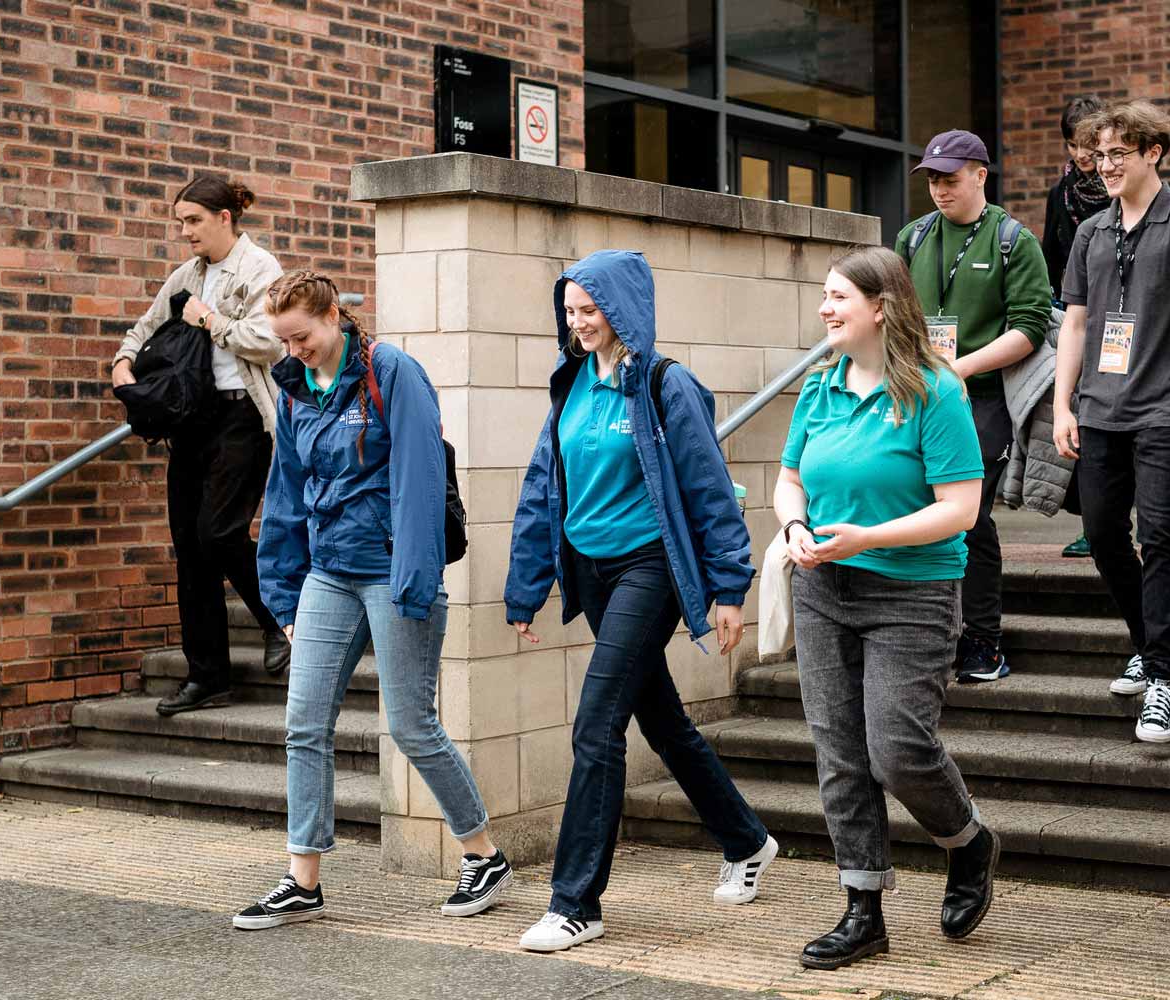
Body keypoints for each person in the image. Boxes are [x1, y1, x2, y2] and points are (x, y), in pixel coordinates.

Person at [504, 249, 777, 954]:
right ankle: (747, 839)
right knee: (661, 719)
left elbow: (709, 487)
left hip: (650, 568)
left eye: (590, 309)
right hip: (592, 572)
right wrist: (526, 585)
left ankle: (575, 903)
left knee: (596, 725)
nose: (578, 322)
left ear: (622, 308)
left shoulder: (664, 383)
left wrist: (728, 587)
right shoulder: (570, 383)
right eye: (570, 311)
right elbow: (543, 486)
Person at [238, 270, 509, 929]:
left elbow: (421, 478)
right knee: (304, 723)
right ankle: (303, 880)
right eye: (283, 342)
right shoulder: (296, 389)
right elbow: (285, 492)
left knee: (411, 725)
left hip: (393, 572)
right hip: (329, 574)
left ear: (334, 315)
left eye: (301, 337)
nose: (294, 351)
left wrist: (416, 580)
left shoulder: (392, 373)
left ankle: (483, 855)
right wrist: (283, 596)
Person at [775, 244, 997, 971]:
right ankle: (862, 910)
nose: (824, 308)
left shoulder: (936, 390)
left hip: (912, 593)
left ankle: (968, 843)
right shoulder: (820, 388)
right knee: (839, 753)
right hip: (823, 588)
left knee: (897, 750)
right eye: (825, 296)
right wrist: (795, 525)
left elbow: (960, 510)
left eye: (838, 296)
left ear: (881, 306)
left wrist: (869, 537)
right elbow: (789, 479)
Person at [1052, 100, 1170, 744]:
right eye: (1099, 156)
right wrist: (1062, 405)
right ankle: (1147, 646)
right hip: (1099, 410)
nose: (1105, 166)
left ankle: (1164, 681)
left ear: (1154, 153)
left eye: (1118, 153)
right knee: (1101, 534)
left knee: (1160, 536)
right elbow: (1075, 324)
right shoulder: (1092, 232)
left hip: (1165, 411)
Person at [111, 176, 291, 717]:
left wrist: (210, 319)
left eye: (193, 220)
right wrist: (122, 363)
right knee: (190, 545)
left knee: (220, 531)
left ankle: (281, 619)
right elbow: (144, 328)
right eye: (181, 222)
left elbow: (270, 341)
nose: (185, 231)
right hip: (192, 420)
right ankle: (207, 676)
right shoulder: (186, 276)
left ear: (224, 218)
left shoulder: (259, 269)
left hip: (243, 416)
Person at [896, 130, 1053, 684]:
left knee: (969, 515)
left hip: (982, 397)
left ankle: (983, 639)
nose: (940, 190)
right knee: (915, 506)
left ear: (981, 175)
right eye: (933, 181)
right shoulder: (912, 238)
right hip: (918, 393)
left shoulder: (1013, 241)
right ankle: (925, 630)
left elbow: (1030, 328)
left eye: (951, 179)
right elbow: (891, 315)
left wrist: (959, 369)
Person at [1042, 95, 1111, 560]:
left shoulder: (1119, 186)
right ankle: (1095, 524)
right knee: (1082, 417)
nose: (1082, 155)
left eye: (1089, 143)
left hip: (1121, 317)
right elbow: (1051, 255)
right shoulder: (1060, 195)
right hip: (1076, 315)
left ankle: (1120, 521)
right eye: (1073, 145)